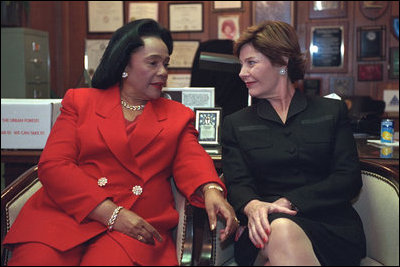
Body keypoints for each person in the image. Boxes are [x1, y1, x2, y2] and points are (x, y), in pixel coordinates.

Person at [3, 19, 238, 266]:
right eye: (153, 63)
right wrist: (110, 213)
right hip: (67, 214)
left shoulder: (177, 115)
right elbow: (54, 166)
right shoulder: (81, 102)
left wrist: (212, 191)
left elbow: (192, 160)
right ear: (124, 63)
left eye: (165, 64)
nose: (163, 72)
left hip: (135, 225)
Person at [221, 21, 366, 266]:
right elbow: (238, 184)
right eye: (241, 64)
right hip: (263, 228)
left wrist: (289, 202)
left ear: (282, 61)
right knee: (280, 230)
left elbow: (348, 178)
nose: (241, 73)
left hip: (331, 228)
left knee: (281, 237)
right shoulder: (236, 123)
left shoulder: (331, 111)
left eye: (251, 63)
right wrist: (253, 205)